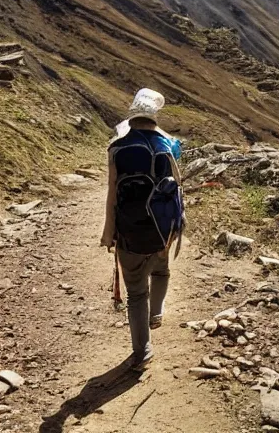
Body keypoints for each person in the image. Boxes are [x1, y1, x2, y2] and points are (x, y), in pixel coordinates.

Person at [100, 88, 184, 371]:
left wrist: (108, 232)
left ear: (131, 119)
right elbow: (176, 189)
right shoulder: (170, 146)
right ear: (153, 118)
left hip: (129, 232)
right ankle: (157, 314)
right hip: (164, 228)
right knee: (161, 269)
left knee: (136, 293)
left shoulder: (117, 149)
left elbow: (112, 193)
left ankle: (143, 352)